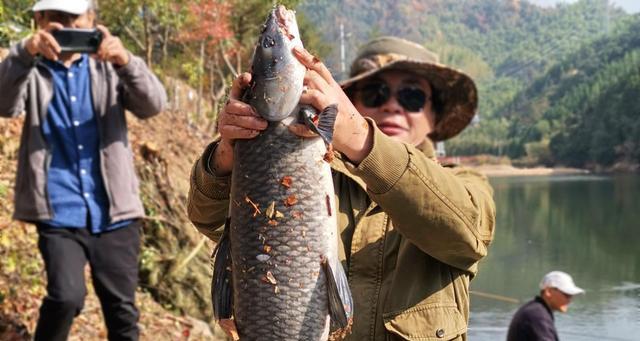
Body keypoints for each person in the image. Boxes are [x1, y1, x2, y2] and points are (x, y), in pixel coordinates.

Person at [187, 36, 495, 341]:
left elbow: (467, 232)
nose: (392, 106)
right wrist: (229, 156)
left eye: (412, 97)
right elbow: (209, 219)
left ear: (434, 115)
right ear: (351, 102)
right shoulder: (304, 170)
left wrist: (362, 139)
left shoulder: (463, 185)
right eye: (376, 93)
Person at [0, 0, 167, 340]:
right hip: (58, 210)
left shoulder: (109, 67)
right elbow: (4, 104)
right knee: (65, 296)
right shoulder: (30, 69)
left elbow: (154, 105)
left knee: (122, 313)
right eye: (56, 19)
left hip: (115, 212)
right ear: (40, 20)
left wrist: (126, 61)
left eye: (73, 18)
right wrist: (24, 52)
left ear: (92, 19)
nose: (66, 27)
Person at [506, 271, 585, 341]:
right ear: (548, 292)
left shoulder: (536, 309)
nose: (569, 300)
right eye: (567, 295)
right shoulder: (537, 315)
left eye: (571, 296)